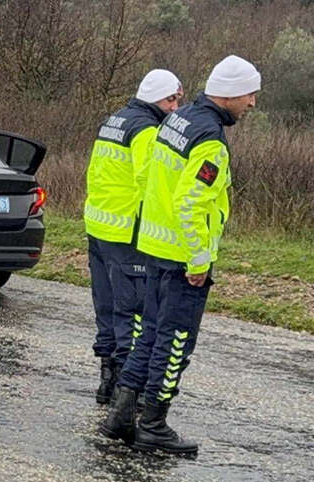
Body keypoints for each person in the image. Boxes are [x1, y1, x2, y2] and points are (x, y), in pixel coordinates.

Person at [101, 55, 261, 455]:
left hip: (155, 245)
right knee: (175, 343)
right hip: (180, 256)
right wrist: (199, 261)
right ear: (229, 94)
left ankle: (121, 416)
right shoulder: (209, 139)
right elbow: (191, 204)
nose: (253, 103)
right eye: (250, 94)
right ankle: (154, 423)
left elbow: (155, 180)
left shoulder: (179, 118)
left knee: (149, 334)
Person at [83, 69, 183, 406]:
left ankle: (106, 381)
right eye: (171, 100)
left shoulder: (114, 120)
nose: (174, 108)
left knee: (106, 307)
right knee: (133, 312)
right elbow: (148, 183)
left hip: (98, 226)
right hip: (127, 231)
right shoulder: (146, 130)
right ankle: (128, 389)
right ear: (155, 98)